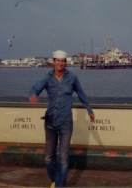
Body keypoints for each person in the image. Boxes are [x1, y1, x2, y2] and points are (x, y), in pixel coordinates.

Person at [29, 50, 95, 188]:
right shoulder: (47, 77)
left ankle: (59, 185)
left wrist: (89, 109)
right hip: (50, 122)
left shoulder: (72, 78)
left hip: (65, 122)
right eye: (57, 60)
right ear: (53, 62)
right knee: (48, 158)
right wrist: (33, 95)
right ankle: (56, 179)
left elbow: (81, 93)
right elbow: (35, 89)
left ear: (66, 63)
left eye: (62, 61)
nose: (60, 63)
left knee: (63, 159)